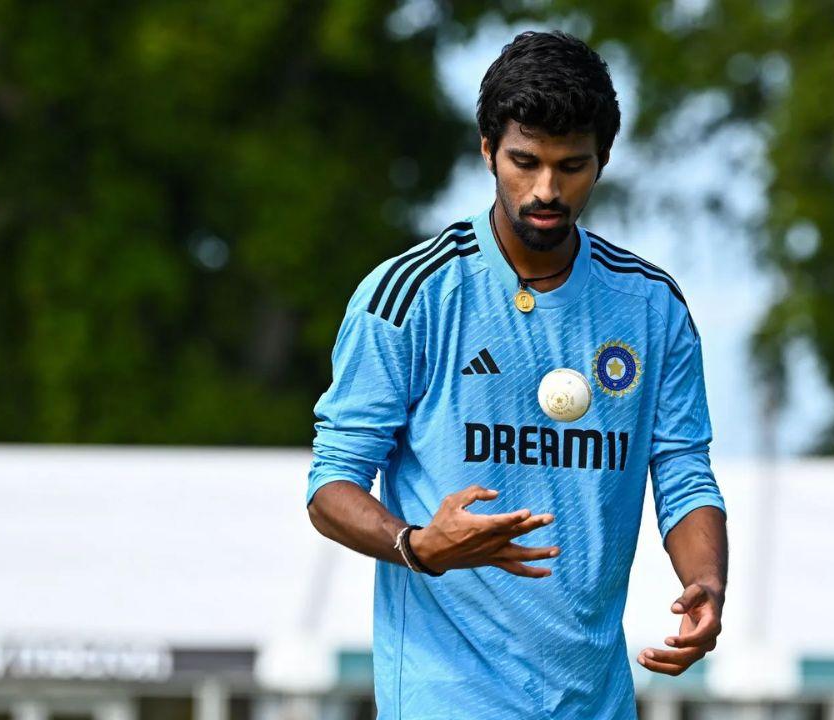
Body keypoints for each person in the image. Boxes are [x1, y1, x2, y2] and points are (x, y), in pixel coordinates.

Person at [305, 30, 728, 719]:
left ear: (603, 159)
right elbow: (330, 487)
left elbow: (683, 470)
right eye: (524, 162)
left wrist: (706, 582)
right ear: (487, 150)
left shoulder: (652, 307)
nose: (546, 190)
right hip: (447, 698)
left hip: (595, 701)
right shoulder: (411, 296)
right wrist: (420, 546)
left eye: (572, 166)